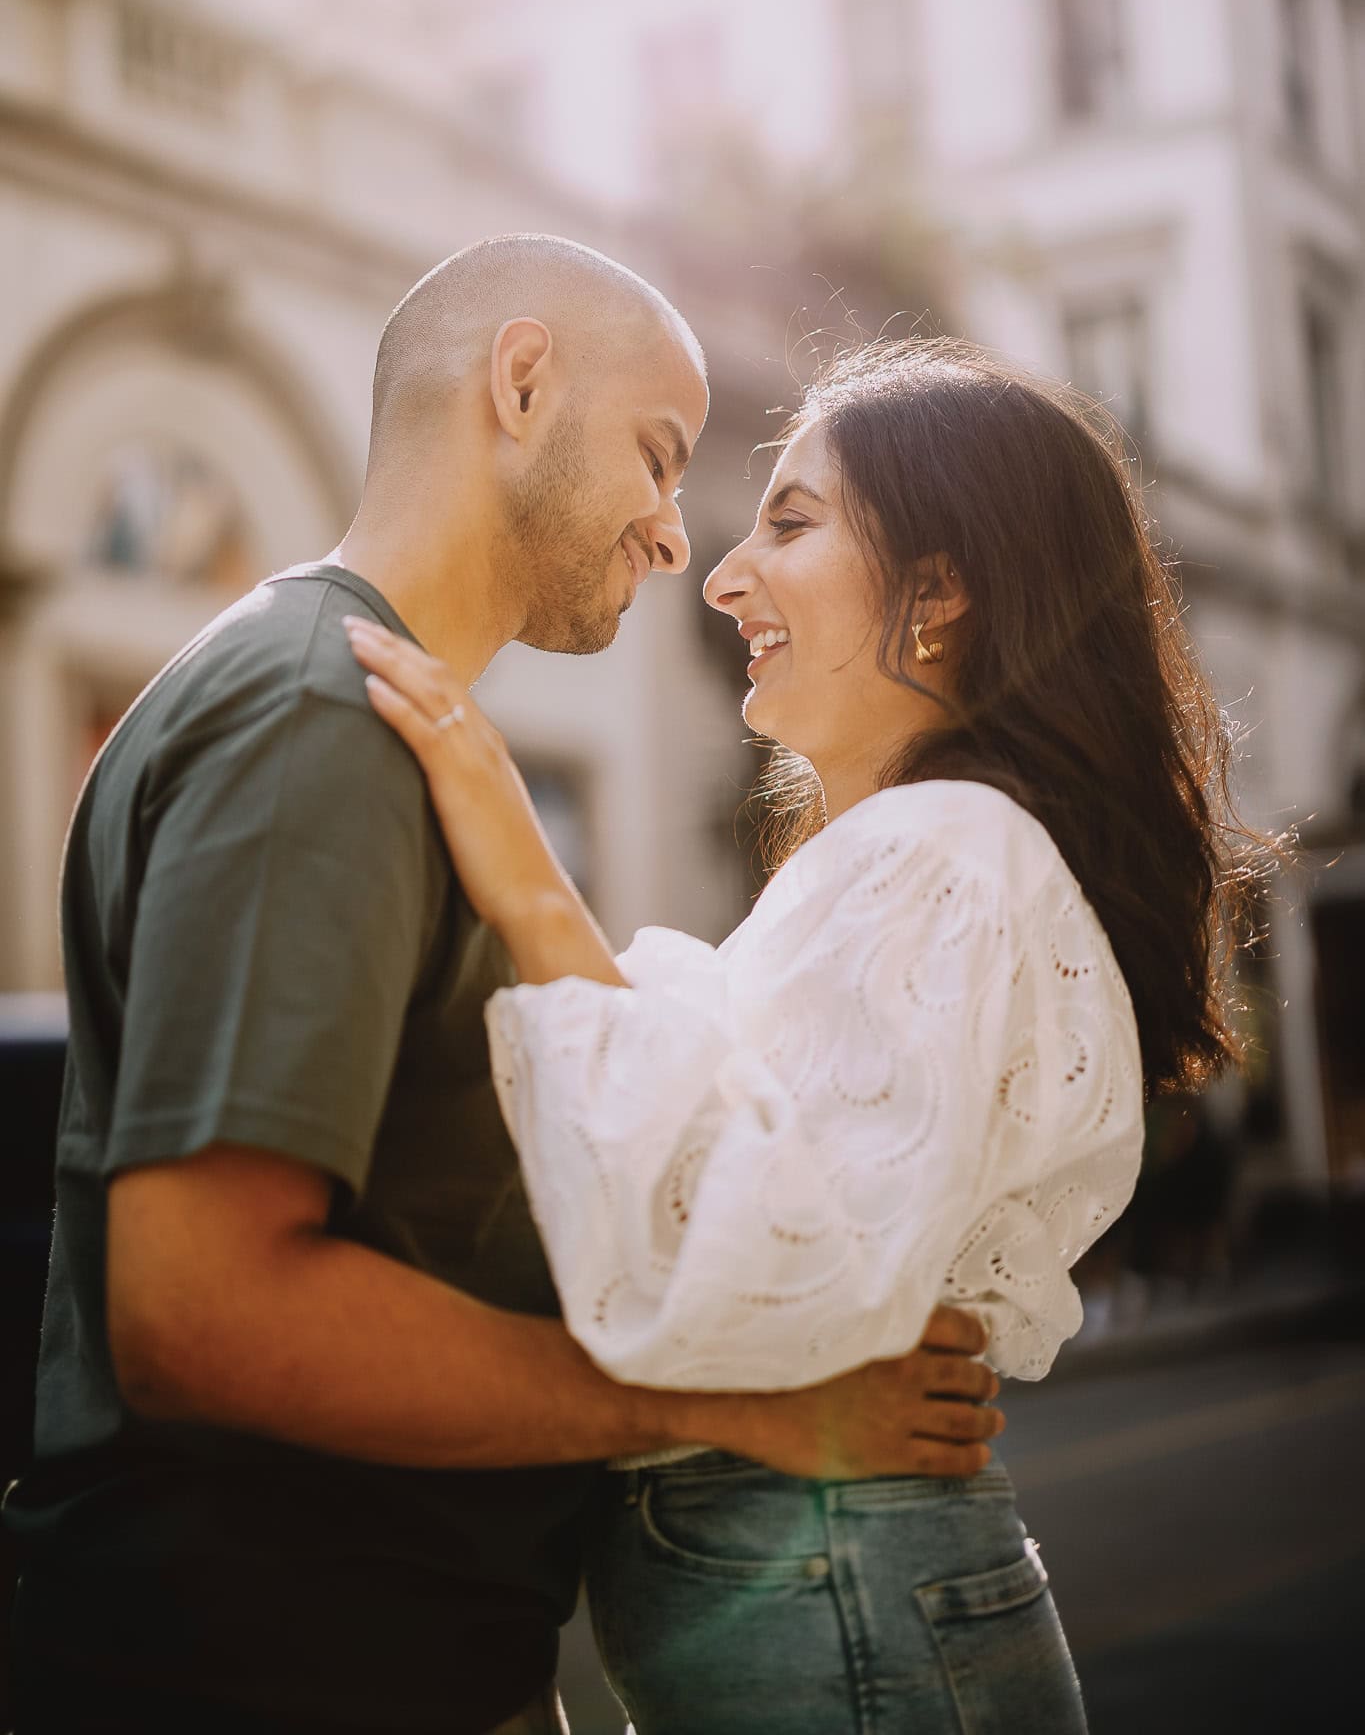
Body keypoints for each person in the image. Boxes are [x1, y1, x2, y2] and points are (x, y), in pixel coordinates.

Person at [2, 242, 1003, 1735]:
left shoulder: (358, 711)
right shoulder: (312, 720)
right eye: (659, 462)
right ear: (520, 383)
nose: (676, 540)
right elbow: (206, 1312)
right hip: (269, 1682)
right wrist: (729, 1410)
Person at [346, 339, 1268, 1735]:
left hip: (844, 1594)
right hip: (834, 1584)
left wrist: (525, 879)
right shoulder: (922, 852)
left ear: (941, 589)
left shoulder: (947, 850)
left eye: (789, 521)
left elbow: (753, 1274)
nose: (720, 575)